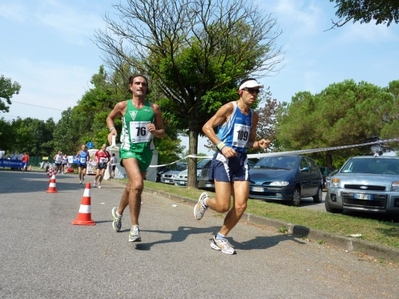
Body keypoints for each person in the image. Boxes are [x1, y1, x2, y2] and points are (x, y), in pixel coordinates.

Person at [194, 78, 271, 255]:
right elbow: (207, 127)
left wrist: (258, 143)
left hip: (241, 161)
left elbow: (249, 141)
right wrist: (222, 146)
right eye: (250, 90)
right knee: (222, 206)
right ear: (240, 92)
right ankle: (205, 201)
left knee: (241, 205)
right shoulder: (229, 108)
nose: (254, 94)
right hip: (223, 159)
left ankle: (220, 237)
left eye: (257, 91)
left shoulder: (254, 116)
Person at [107, 74, 165, 242]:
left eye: (144, 84)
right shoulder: (123, 106)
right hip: (128, 151)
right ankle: (135, 228)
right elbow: (109, 117)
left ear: (146, 88)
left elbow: (162, 133)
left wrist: (155, 131)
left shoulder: (154, 108)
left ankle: (118, 214)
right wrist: (112, 129)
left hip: (145, 152)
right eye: (137, 83)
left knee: (131, 186)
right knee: (138, 185)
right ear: (130, 86)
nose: (141, 86)